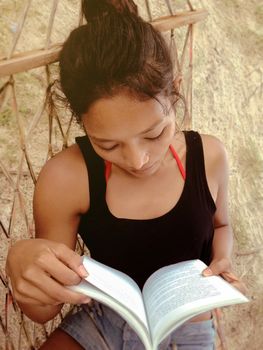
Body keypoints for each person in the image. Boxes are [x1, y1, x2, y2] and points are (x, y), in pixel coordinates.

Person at [5, 1, 243, 349]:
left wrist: (221, 259)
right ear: (80, 120)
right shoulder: (67, 177)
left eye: (154, 134)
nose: (138, 159)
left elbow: (222, 225)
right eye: (108, 145)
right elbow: (44, 310)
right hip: (103, 321)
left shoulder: (208, 157)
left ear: (174, 90)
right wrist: (21, 264)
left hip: (188, 325)